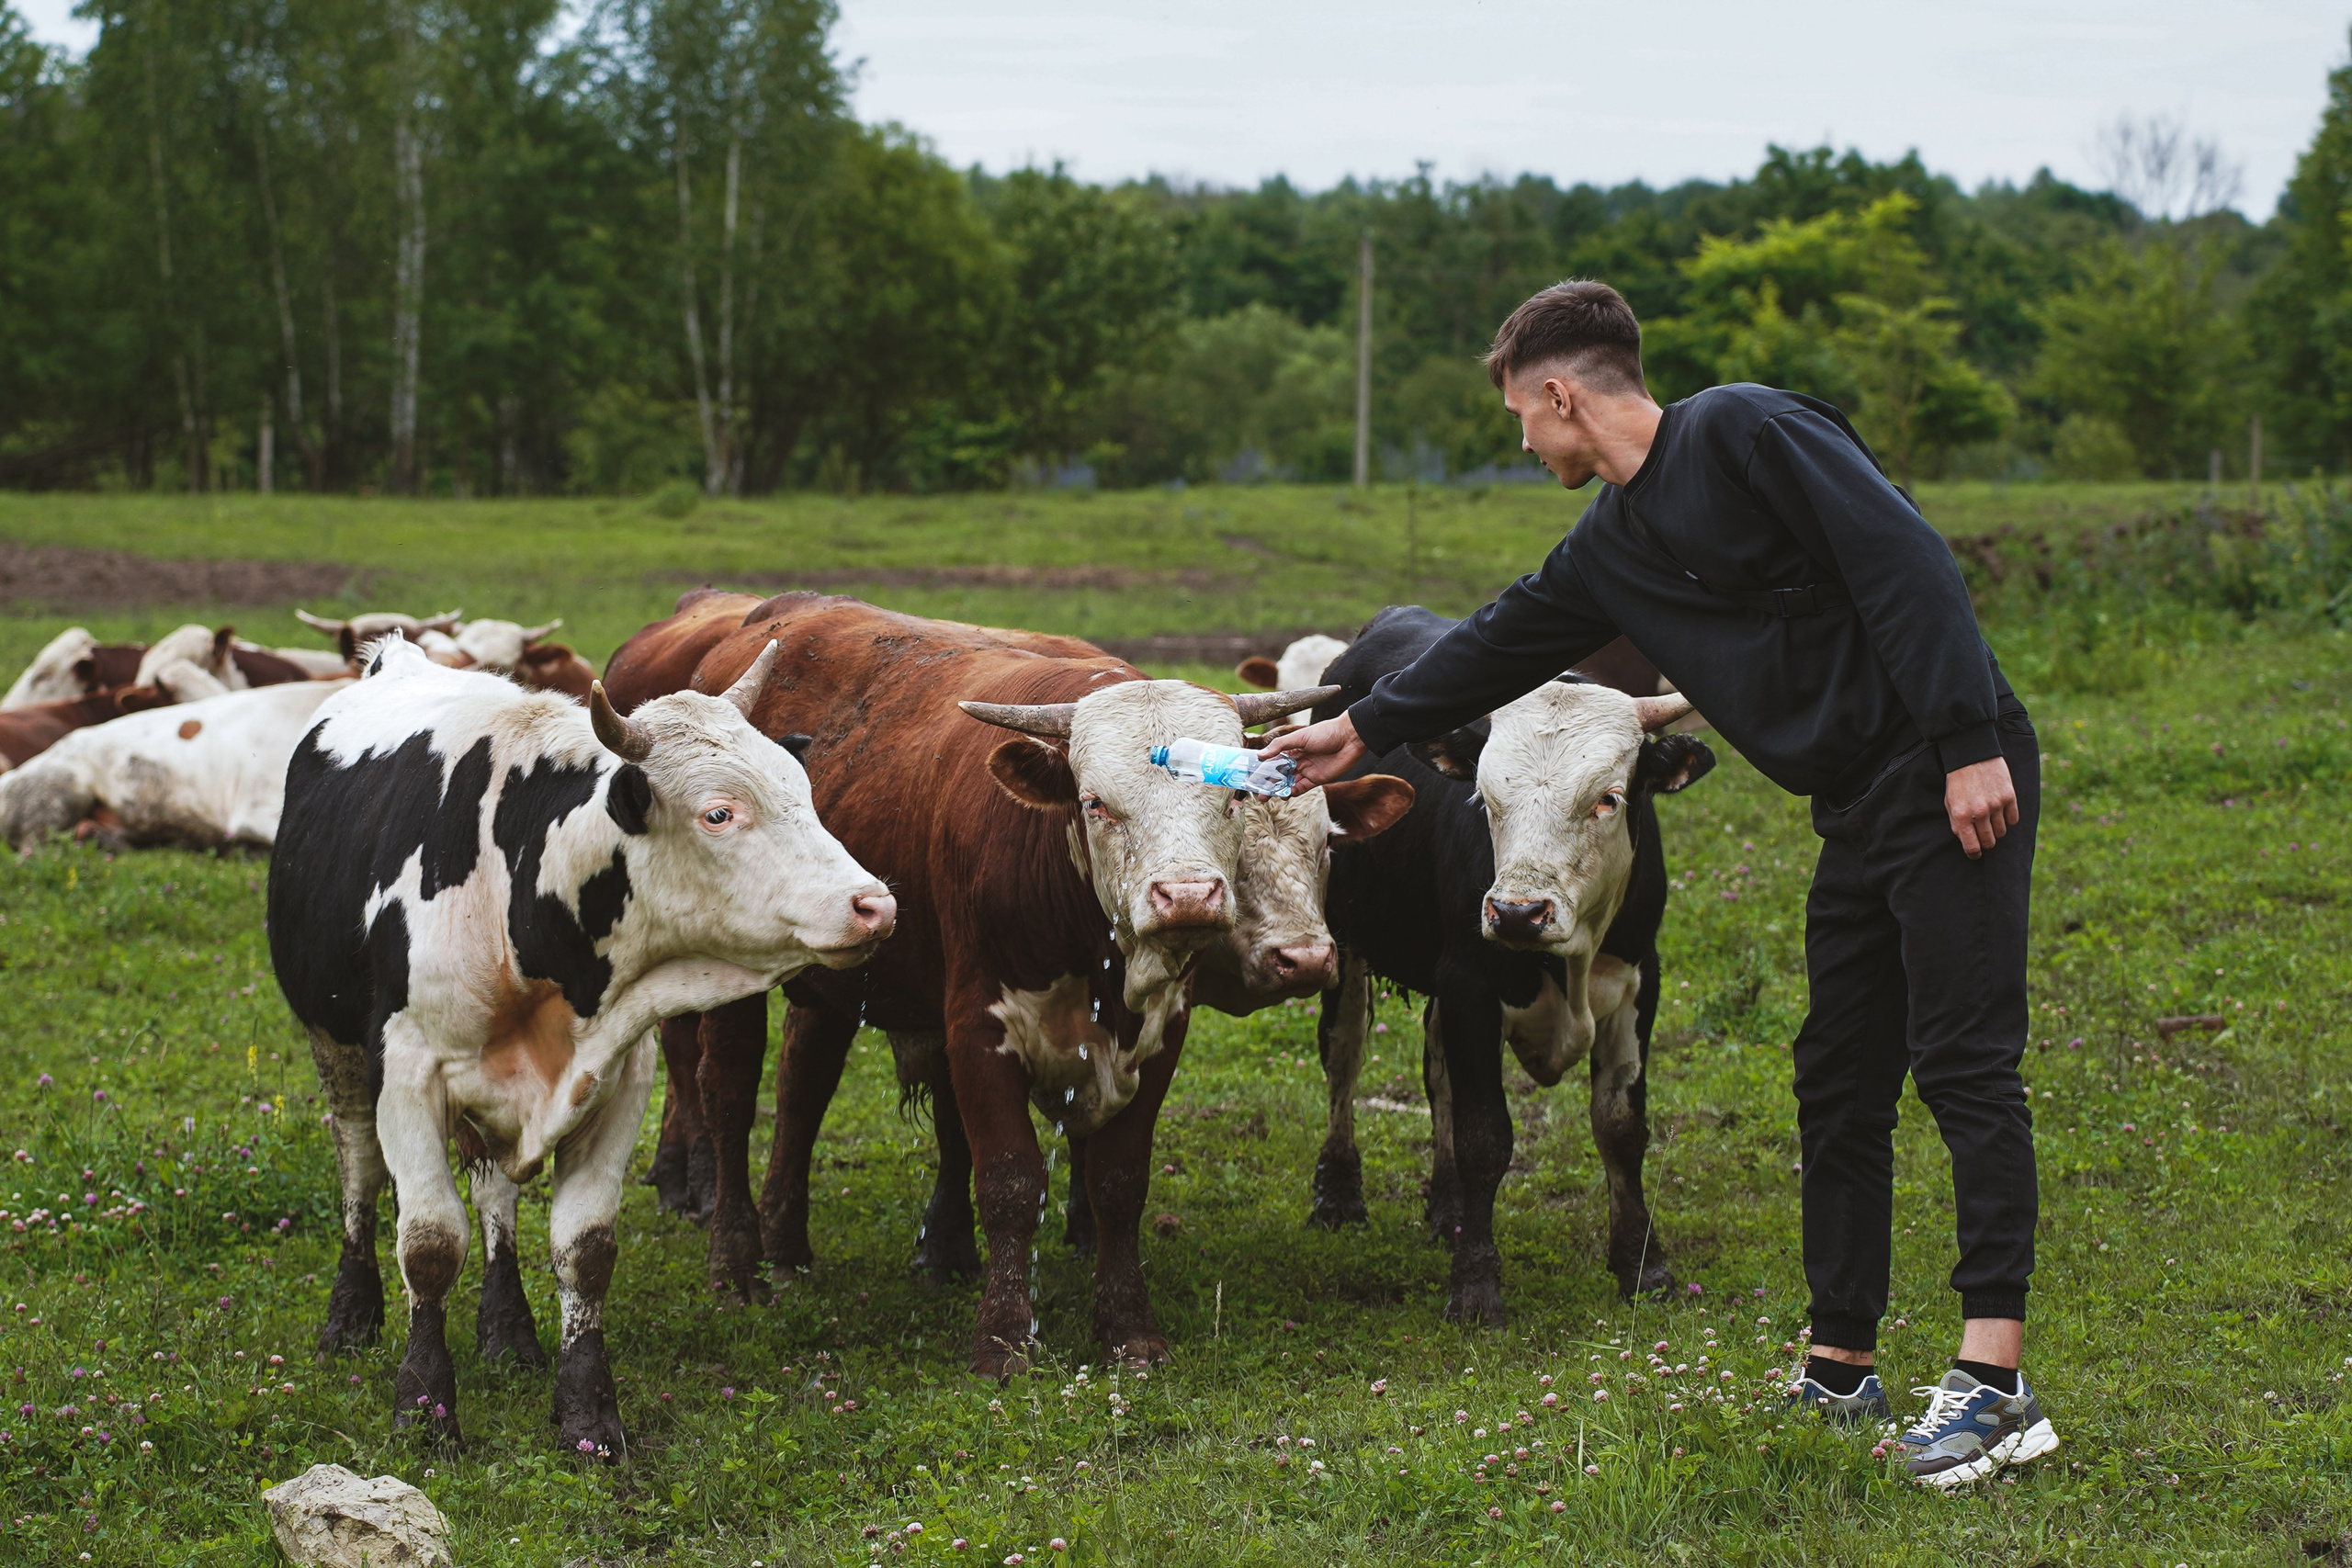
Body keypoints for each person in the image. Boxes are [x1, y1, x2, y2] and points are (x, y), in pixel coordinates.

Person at [1261, 279, 2056, 1489]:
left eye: (1521, 420)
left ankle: (1995, 1386)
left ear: (1562, 395)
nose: (1521, 444)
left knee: (1961, 1064)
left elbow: (1907, 562)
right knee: (1837, 1077)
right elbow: (1501, 634)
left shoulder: (1746, 431)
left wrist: (1966, 743)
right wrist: (1358, 727)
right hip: (1852, 807)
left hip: (1950, 775)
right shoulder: (1614, 546)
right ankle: (1841, 1366)